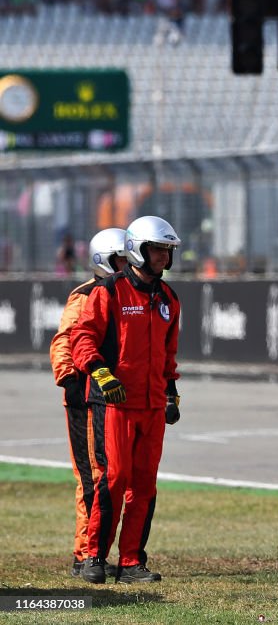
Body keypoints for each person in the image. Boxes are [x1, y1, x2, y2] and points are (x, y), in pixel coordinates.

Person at [71, 216, 182, 584]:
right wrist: (101, 374)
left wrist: (170, 393)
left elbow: (168, 355)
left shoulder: (169, 299)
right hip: (114, 403)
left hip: (151, 407)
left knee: (145, 486)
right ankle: (93, 556)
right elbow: (82, 339)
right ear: (138, 250)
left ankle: (132, 562)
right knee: (114, 480)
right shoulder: (109, 292)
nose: (163, 258)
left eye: (168, 251)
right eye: (158, 250)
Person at [48, 228, 127, 578]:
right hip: (84, 396)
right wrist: (72, 381)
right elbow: (65, 340)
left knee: (109, 474)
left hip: (110, 397)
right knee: (91, 476)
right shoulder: (85, 294)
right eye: (121, 259)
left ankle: (95, 550)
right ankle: (84, 554)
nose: (128, 265)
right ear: (105, 259)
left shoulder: (126, 294)